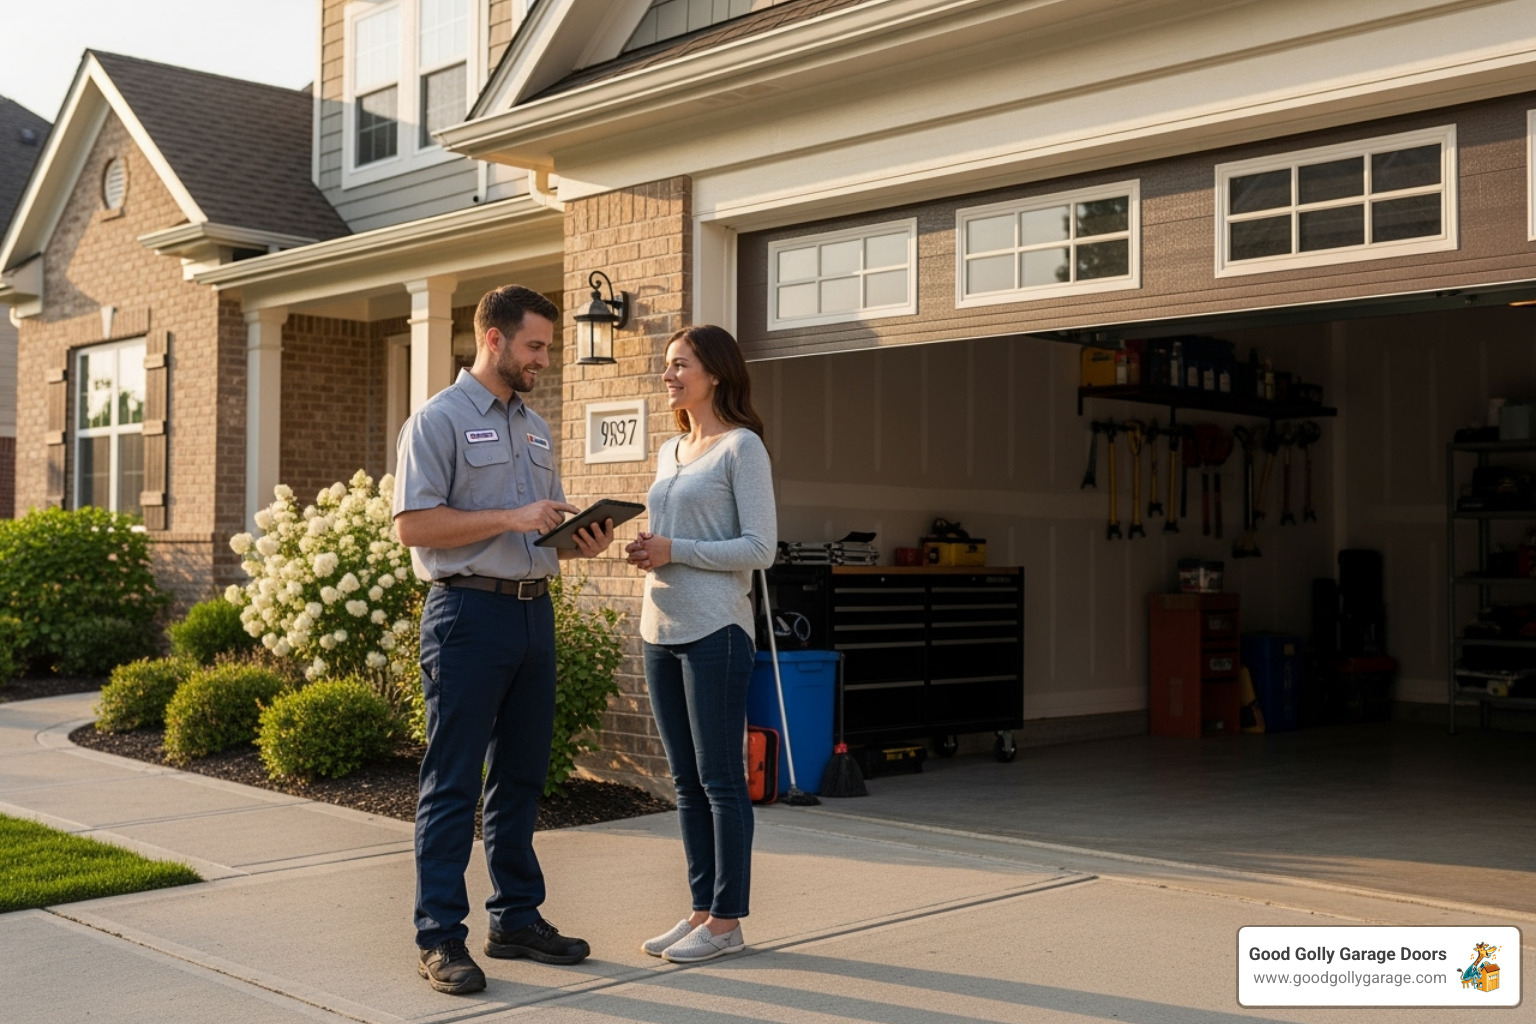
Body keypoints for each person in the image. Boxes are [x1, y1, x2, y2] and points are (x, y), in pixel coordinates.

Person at [393, 284, 615, 995]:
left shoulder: (537, 426)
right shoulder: (438, 419)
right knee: (453, 782)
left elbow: (535, 535)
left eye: (547, 346)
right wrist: (511, 517)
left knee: (522, 775)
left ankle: (516, 917)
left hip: (532, 610)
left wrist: (583, 541)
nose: (545, 359)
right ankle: (439, 937)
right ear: (494, 339)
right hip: (466, 617)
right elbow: (414, 526)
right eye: (536, 346)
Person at [625, 324, 777, 964]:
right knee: (685, 782)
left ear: (713, 373)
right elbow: (673, 539)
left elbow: (761, 549)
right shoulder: (670, 450)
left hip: (717, 631)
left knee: (720, 781)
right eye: (667, 365)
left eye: (679, 364)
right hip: (659, 628)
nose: (669, 375)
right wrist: (648, 550)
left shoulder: (743, 449)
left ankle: (727, 922)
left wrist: (675, 549)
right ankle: (699, 911)